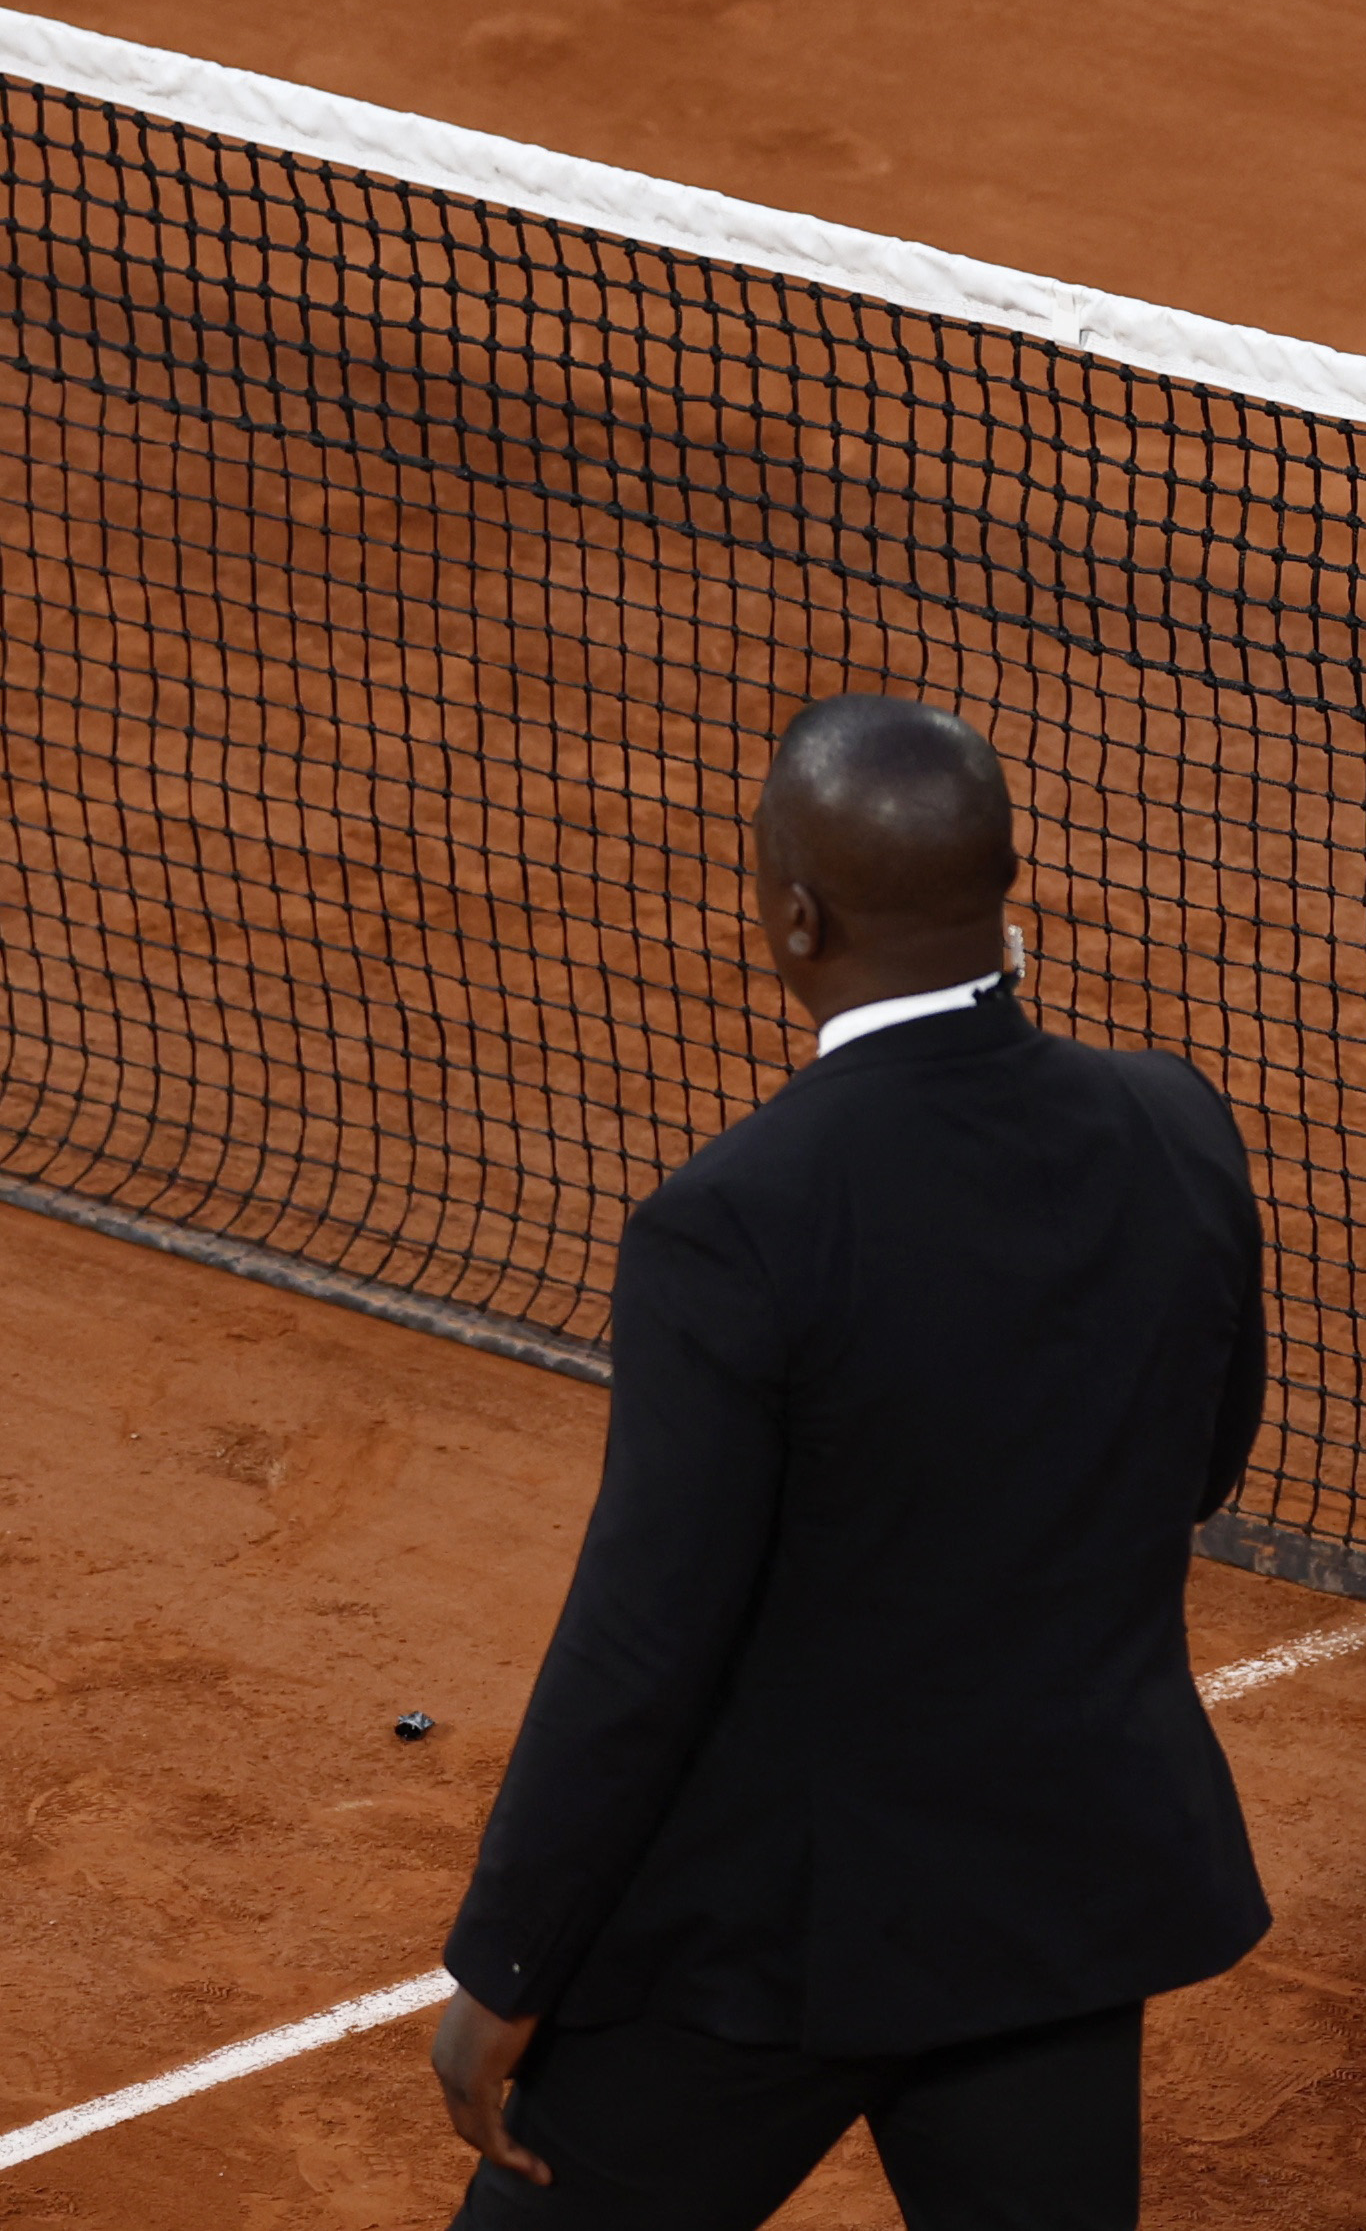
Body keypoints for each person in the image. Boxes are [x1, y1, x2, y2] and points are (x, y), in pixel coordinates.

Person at [426, 696, 1271, 2227]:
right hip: (1051, 1903)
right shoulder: (1174, 1123)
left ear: (793, 918)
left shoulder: (733, 1218)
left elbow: (643, 1642)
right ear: (1006, 882)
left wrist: (507, 1963)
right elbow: (1200, 1465)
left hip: (767, 1938)